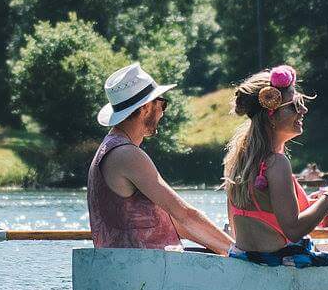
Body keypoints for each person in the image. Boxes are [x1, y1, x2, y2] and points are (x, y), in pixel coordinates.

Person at [86, 62, 234, 253]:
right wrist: (238, 252)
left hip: (131, 267)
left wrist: (227, 247)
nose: (163, 112)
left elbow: (176, 223)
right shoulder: (128, 154)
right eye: (162, 103)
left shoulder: (109, 148)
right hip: (144, 269)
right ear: (146, 107)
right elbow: (185, 215)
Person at [219, 66, 328, 265]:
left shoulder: (238, 160)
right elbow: (294, 230)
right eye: (295, 105)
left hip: (249, 262)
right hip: (279, 265)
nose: (303, 110)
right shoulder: (276, 163)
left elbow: (259, 219)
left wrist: (312, 203)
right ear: (271, 116)